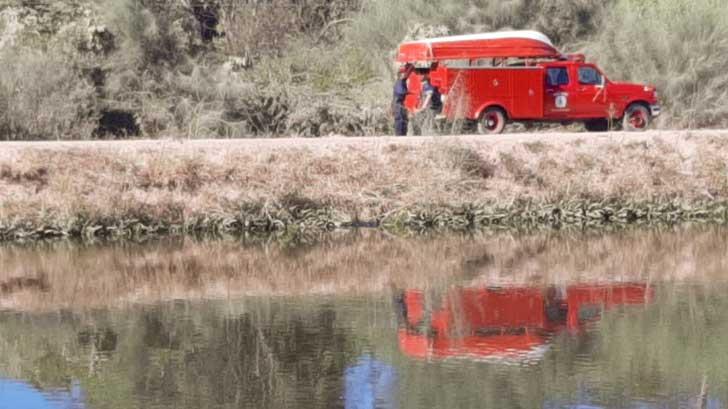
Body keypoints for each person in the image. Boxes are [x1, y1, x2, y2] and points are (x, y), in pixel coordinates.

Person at [392, 64, 413, 136]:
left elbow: (408, 74)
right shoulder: (399, 82)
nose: (405, 74)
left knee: (404, 120)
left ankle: (403, 135)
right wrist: (411, 92)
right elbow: (401, 92)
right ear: (400, 75)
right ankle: (399, 136)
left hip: (400, 104)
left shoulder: (403, 81)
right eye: (403, 73)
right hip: (398, 105)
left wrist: (412, 66)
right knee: (400, 120)